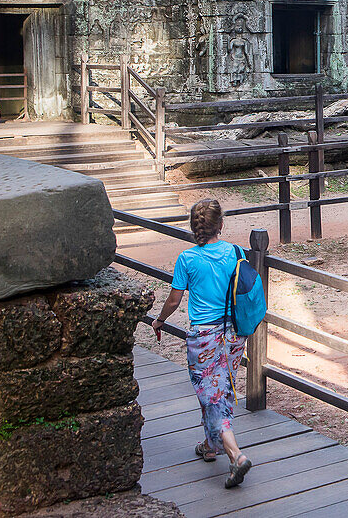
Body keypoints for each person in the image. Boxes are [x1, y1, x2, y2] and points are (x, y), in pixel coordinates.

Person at [152, 199, 253, 488]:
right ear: (220, 225)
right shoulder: (235, 251)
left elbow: (174, 299)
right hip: (233, 334)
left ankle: (235, 455)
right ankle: (211, 446)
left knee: (212, 393)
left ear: (194, 228)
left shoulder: (188, 259)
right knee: (220, 389)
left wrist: (159, 320)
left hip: (205, 337)